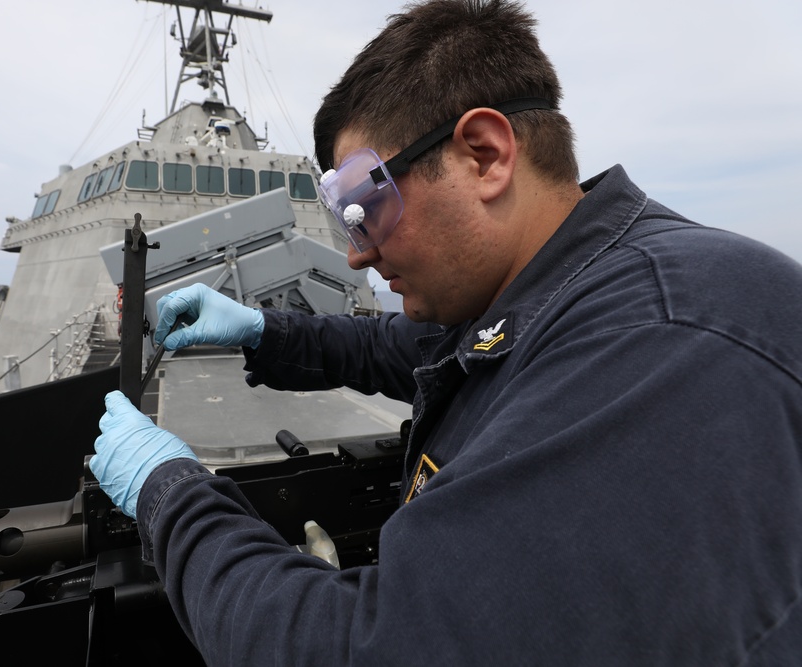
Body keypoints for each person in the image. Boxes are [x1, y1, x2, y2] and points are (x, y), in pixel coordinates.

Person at [89, 0, 802, 663]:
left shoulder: (657, 342)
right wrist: (260, 332)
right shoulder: (571, 291)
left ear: (485, 155)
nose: (357, 252)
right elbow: (403, 350)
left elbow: (362, 646)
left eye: (367, 205)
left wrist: (170, 492)